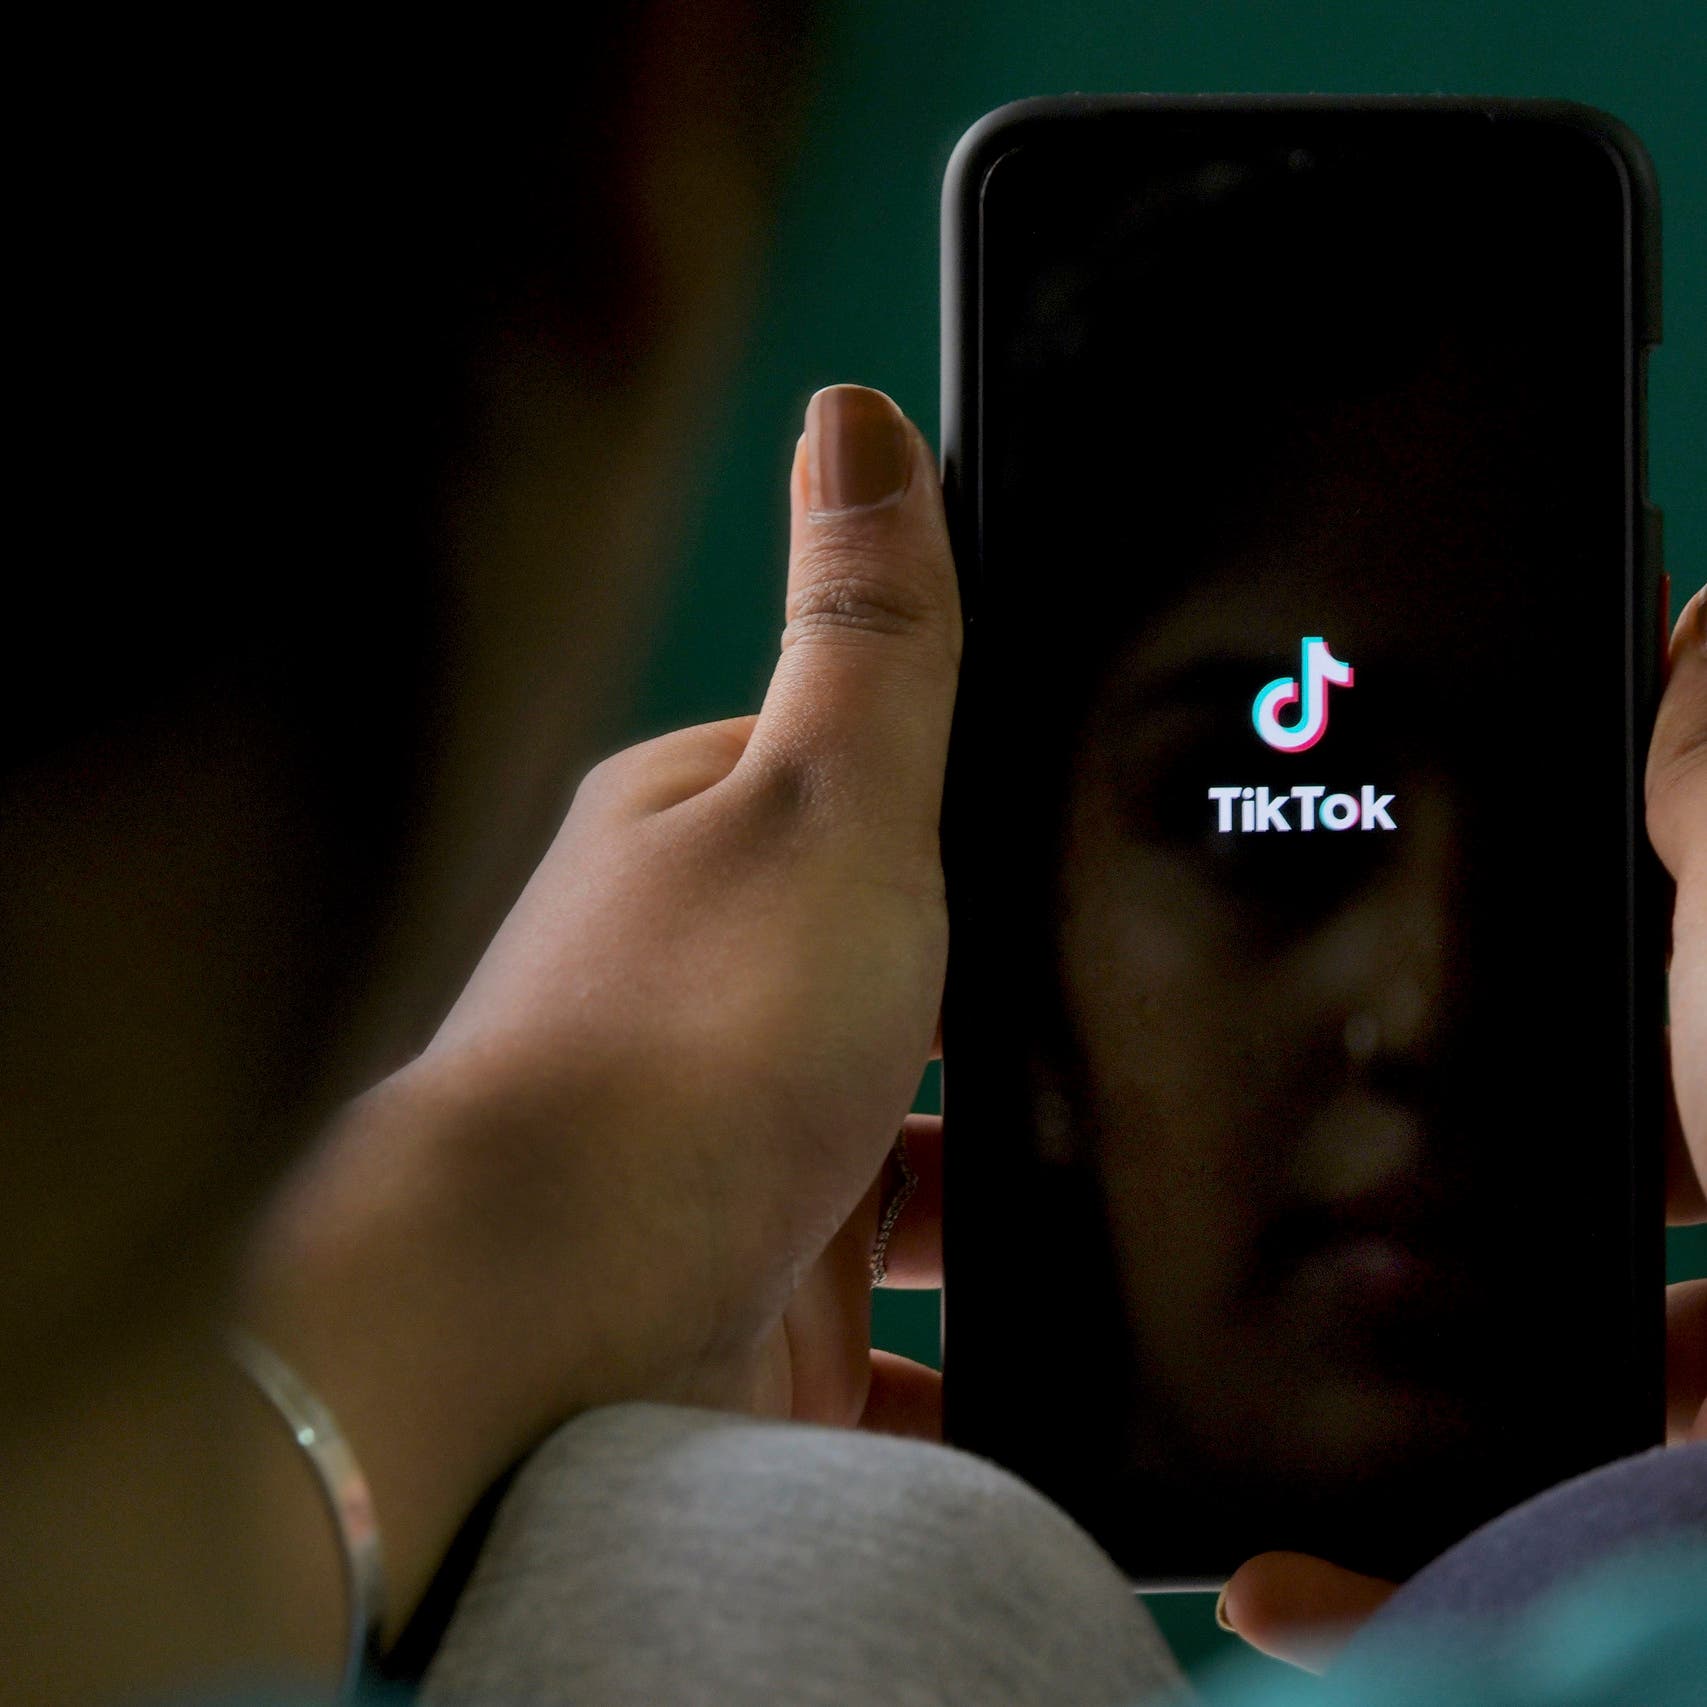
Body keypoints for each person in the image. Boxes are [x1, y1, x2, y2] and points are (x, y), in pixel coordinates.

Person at [1, 16, 1700, 1706]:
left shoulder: (801, 1607)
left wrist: (510, 1214)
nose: (1432, 1001)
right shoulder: (876, 1611)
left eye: (1542, 793)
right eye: (1238, 801)